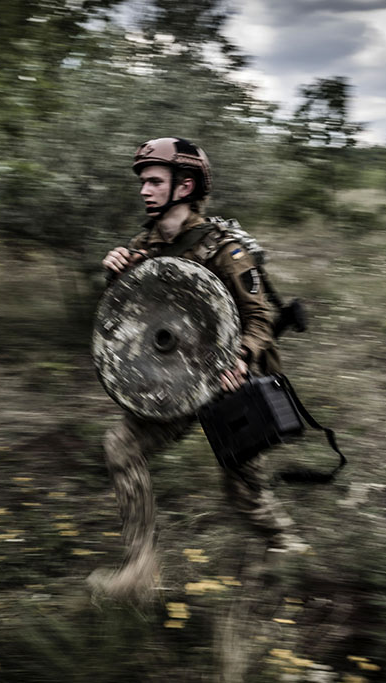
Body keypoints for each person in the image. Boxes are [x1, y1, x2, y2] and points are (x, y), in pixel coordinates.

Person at [92, 138, 305, 601]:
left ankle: (286, 546)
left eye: (155, 181)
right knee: (121, 446)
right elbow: (133, 317)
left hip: (228, 382)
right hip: (176, 382)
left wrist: (241, 358)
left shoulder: (226, 248)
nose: (144, 190)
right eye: (143, 181)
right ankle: (140, 568)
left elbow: (260, 318)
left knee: (243, 491)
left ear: (184, 186)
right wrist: (116, 277)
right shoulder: (143, 246)